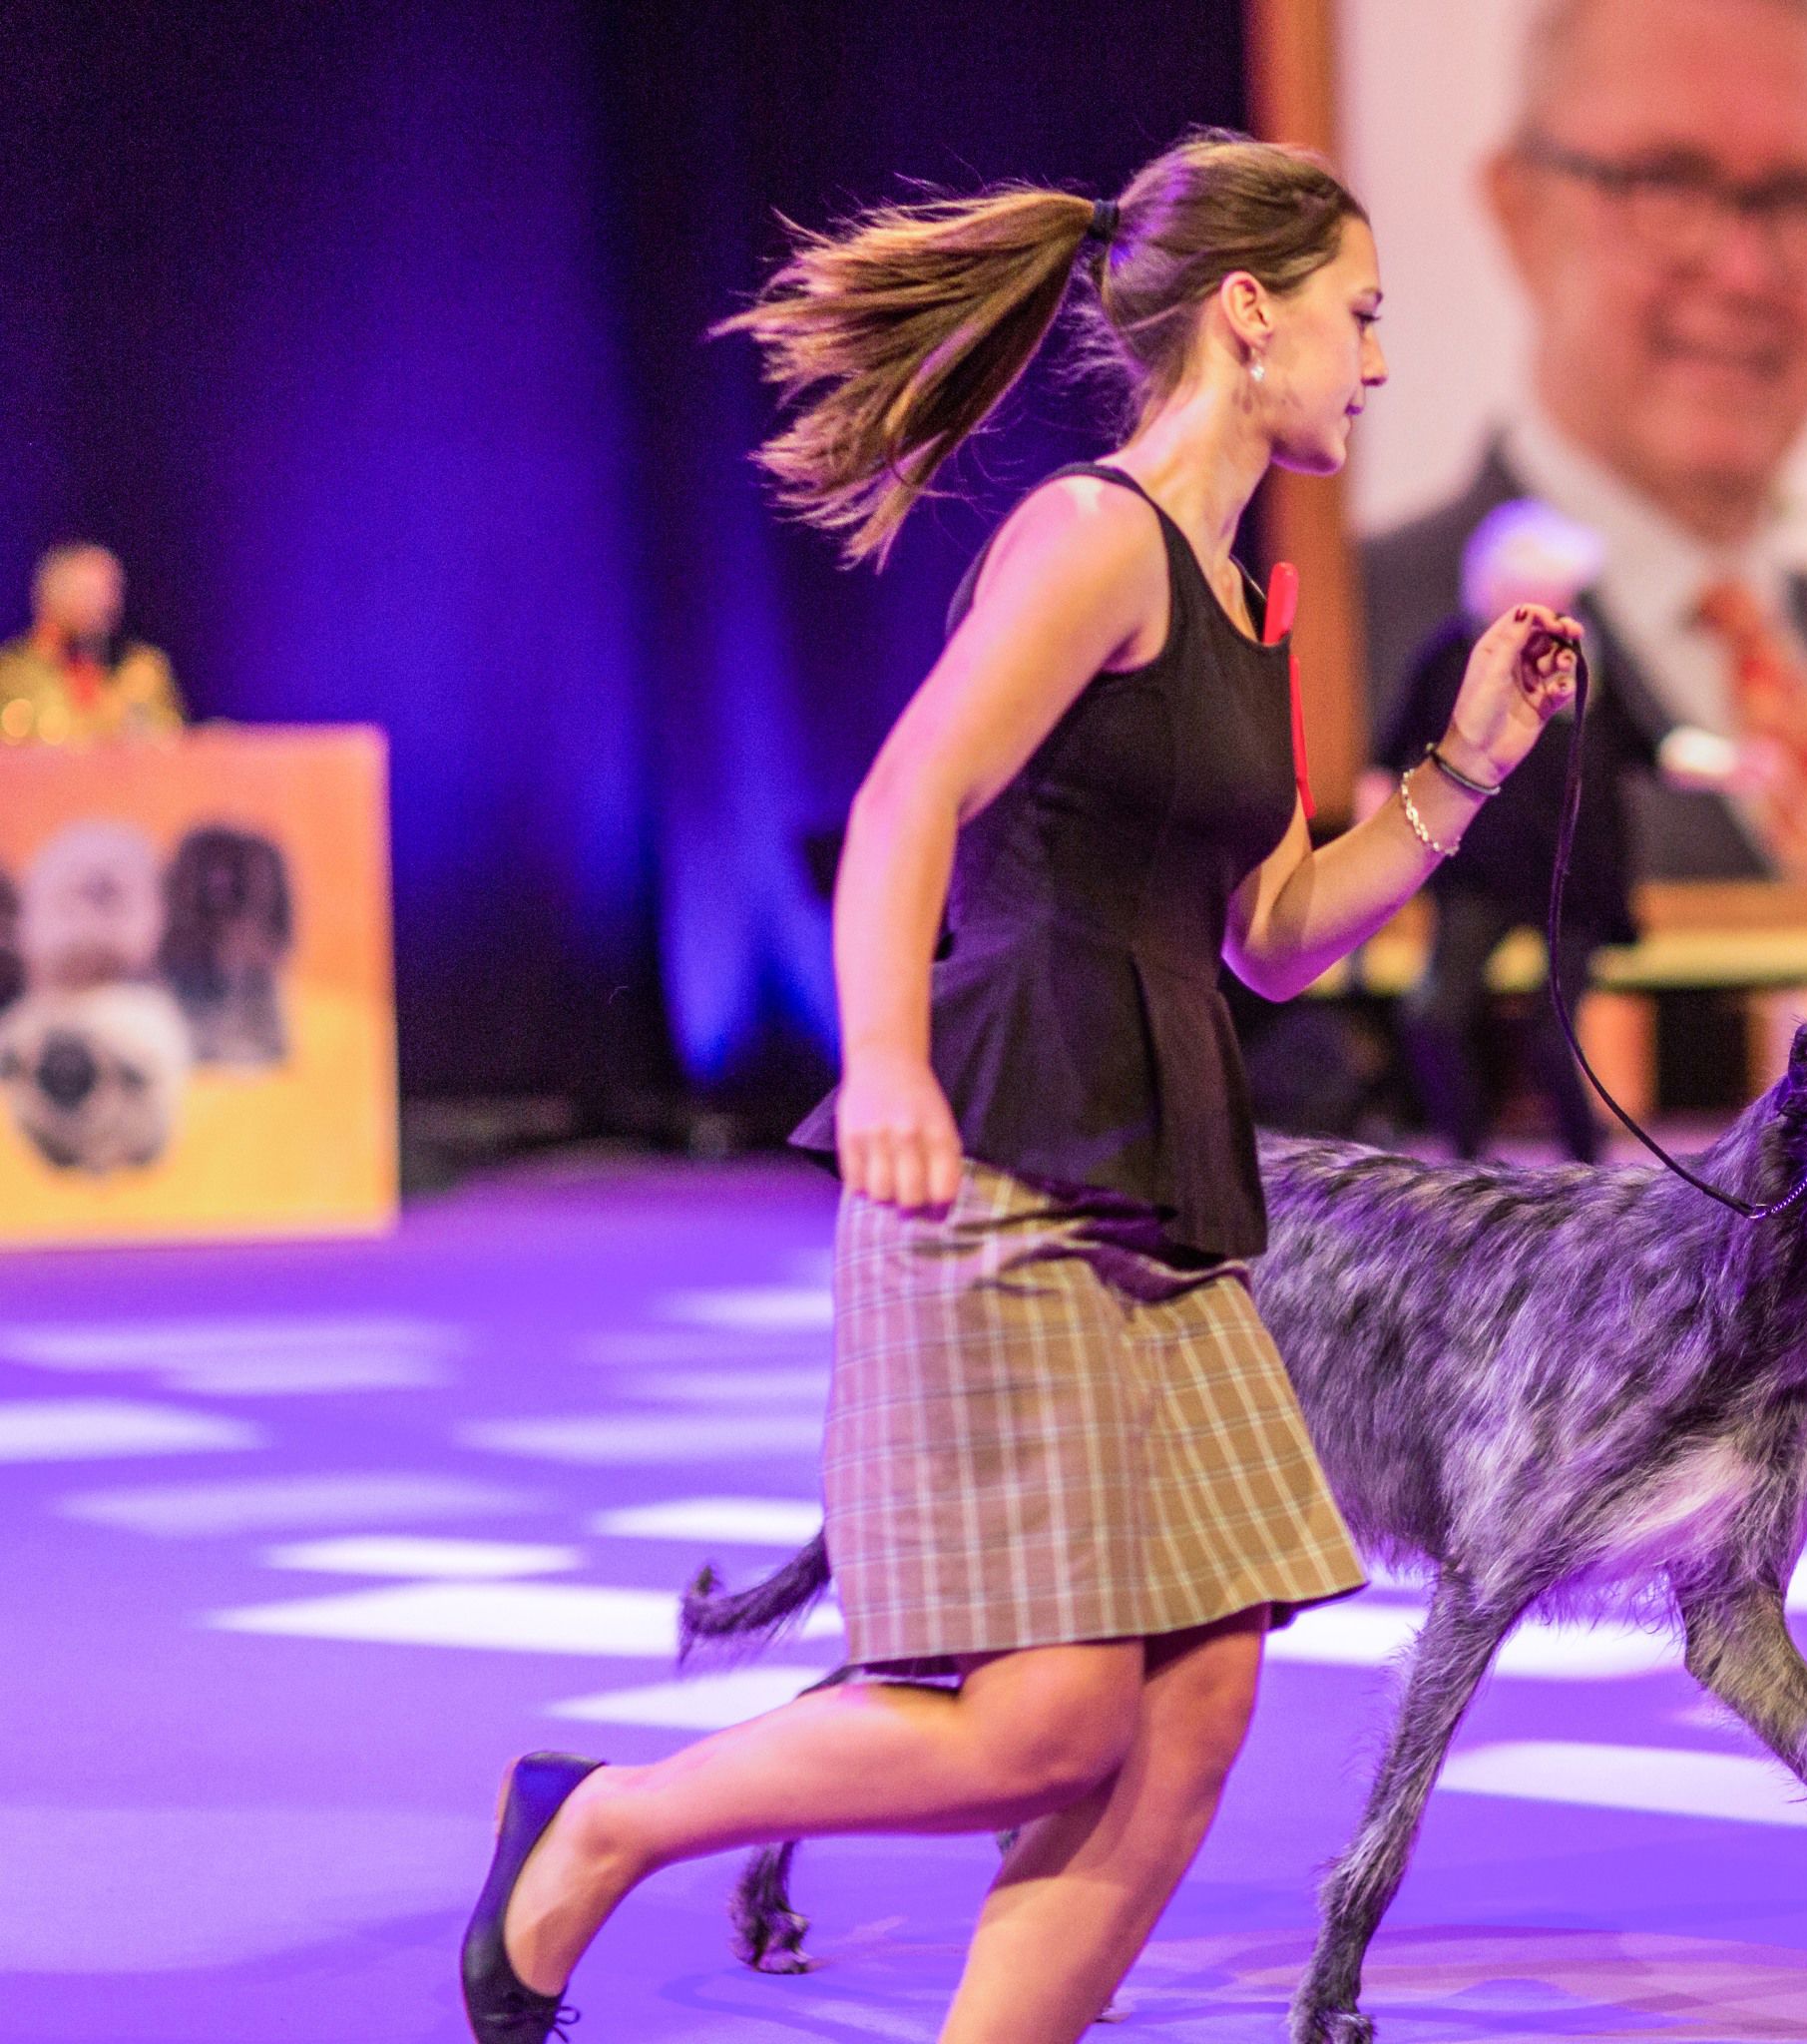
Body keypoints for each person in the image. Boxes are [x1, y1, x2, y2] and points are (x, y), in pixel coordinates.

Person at [459, 130, 1584, 2044]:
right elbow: (908, 795)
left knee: (1203, 1692)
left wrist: (1464, 770)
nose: (1378, 360)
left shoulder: (1247, 598)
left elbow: (1271, 932)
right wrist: (884, 1054)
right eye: (1361, 314)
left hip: (1169, 1181)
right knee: (1048, 1716)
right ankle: (608, 1816)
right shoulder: (1089, 538)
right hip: (1008, 1161)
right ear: (1251, 313)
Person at [1362, 0, 1807, 882]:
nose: (1744, 271)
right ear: (1520, 212)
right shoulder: (1347, 654)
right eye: (1666, 184)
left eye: (1793, 200)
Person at [1371, 499, 1636, 1161]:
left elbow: (1644, 743)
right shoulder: (1449, 655)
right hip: (1481, 869)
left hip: (1575, 875)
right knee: (1434, 1015)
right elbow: (1389, 755)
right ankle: (1466, 1162)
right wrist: (1376, 862)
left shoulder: (1589, 658)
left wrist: (1730, 765)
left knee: (1554, 1033)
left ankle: (1590, 1174)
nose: (1559, 602)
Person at [0, 543, 187, 747]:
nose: (104, 605)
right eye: (87, 593)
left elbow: (172, 741)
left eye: (110, 592)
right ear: (49, 597)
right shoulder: (10, 674)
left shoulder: (144, 670)